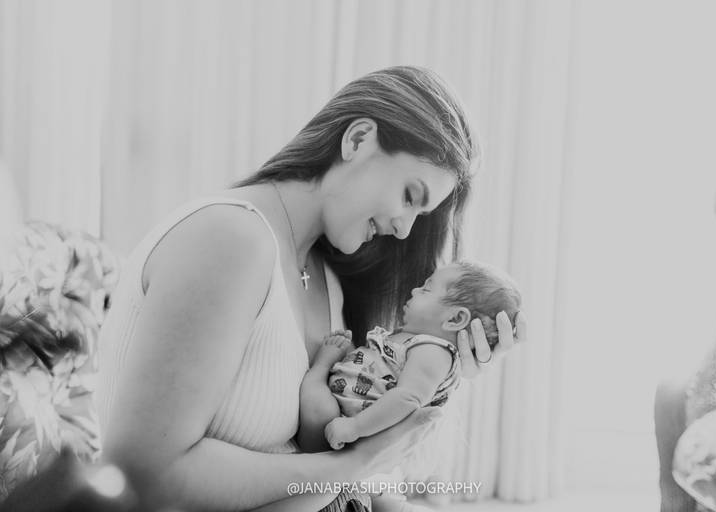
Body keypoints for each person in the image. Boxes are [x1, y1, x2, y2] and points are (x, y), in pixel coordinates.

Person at [95, 66, 517, 512]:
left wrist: (442, 369)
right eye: (410, 197)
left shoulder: (327, 273)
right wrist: (353, 466)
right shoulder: (229, 239)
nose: (404, 229)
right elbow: (144, 476)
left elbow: (342, 467)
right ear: (357, 140)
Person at [298, 260, 523, 453]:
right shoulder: (413, 340)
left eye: (426, 289)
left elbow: (407, 398)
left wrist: (355, 427)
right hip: (346, 417)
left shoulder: (434, 352)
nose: (414, 290)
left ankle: (319, 370)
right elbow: (377, 370)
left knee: (317, 404)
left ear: (455, 319)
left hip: (351, 426)